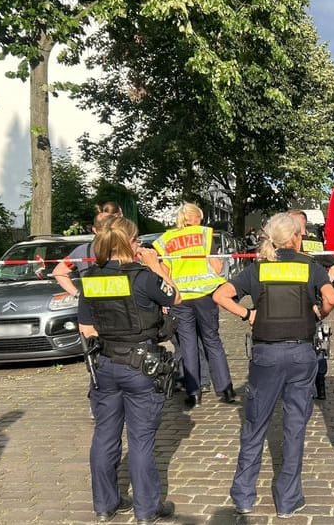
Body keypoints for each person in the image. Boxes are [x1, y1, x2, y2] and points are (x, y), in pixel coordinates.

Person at [212, 213, 334, 519]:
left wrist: (248, 315)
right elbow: (332, 297)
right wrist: (319, 313)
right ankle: (287, 500)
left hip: (266, 356)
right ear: (295, 238)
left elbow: (220, 294)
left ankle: (243, 496)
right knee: (295, 429)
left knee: (255, 426)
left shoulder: (259, 268)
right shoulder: (309, 266)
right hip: (301, 355)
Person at [78, 217, 179, 524]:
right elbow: (175, 296)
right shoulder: (144, 277)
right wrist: (155, 265)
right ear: (129, 243)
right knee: (141, 440)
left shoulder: (90, 278)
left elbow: (86, 327)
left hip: (105, 365)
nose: (140, 245)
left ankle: (105, 505)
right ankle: (147, 510)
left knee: (105, 436)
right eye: (137, 241)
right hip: (141, 366)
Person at [153, 203, 235, 408]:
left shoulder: (166, 240)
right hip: (205, 295)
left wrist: (172, 292)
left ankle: (193, 392)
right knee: (212, 340)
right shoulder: (205, 234)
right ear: (196, 218)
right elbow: (216, 266)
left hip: (181, 298)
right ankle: (226, 390)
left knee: (188, 344)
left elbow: (163, 270)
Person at [288, 209, 334, 400]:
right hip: (302, 302)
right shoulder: (294, 243)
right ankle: (312, 384)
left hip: (310, 303)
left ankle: (312, 384)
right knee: (314, 344)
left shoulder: (309, 244)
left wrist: (325, 284)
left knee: (314, 344)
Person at [53, 202, 123, 297]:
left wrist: (78, 295)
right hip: (121, 307)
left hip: (93, 307)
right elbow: (58, 272)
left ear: (94, 229)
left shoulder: (82, 251)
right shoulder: (129, 248)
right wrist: (78, 294)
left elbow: (59, 272)